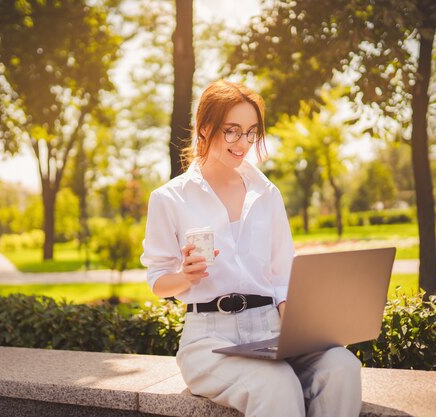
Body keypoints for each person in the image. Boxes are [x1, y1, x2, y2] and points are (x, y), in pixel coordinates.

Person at [140, 80, 362, 417]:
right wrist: (184, 276)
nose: (243, 143)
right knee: (276, 383)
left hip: (271, 330)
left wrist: (301, 333)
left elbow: (282, 274)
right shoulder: (169, 198)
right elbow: (158, 280)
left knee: (342, 366)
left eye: (251, 132)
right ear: (204, 128)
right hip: (211, 342)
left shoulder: (266, 193)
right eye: (231, 131)